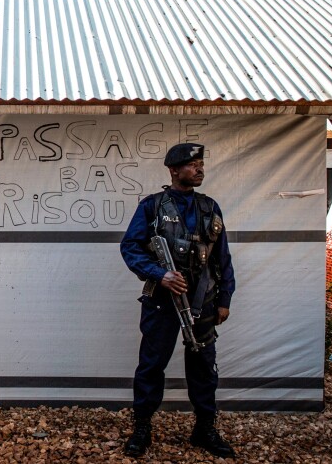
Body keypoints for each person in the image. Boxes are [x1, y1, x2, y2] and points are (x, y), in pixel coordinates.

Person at [119, 142, 236, 459]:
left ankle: (204, 429)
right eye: (192, 164)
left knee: (203, 365)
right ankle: (142, 427)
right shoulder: (152, 207)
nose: (199, 169)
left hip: (203, 299)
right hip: (162, 299)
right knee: (152, 365)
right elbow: (130, 248)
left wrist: (224, 298)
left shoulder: (210, 208)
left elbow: (221, 258)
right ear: (174, 170)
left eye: (201, 163)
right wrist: (160, 274)